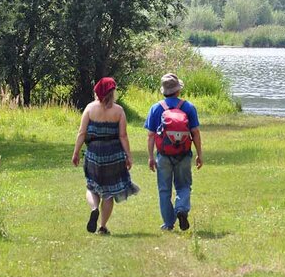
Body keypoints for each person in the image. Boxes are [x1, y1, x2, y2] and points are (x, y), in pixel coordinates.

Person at [72, 77, 139, 235]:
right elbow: (123, 136)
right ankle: (102, 226)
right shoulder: (119, 111)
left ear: (97, 91)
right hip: (114, 154)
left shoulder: (90, 108)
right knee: (108, 193)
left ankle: (94, 208)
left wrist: (76, 153)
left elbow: (82, 133)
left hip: (94, 153)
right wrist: (128, 156)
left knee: (91, 186)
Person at [145, 73, 203, 231]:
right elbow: (195, 132)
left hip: (163, 156)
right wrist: (199, 154)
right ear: (178, 90)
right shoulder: (188, 107)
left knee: (164, 190)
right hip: (183, 155)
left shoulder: (156, 108)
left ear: (163, 91)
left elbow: (150, 135)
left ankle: (168, 223)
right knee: (183, 185)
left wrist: (151, 157)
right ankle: (182, 209)